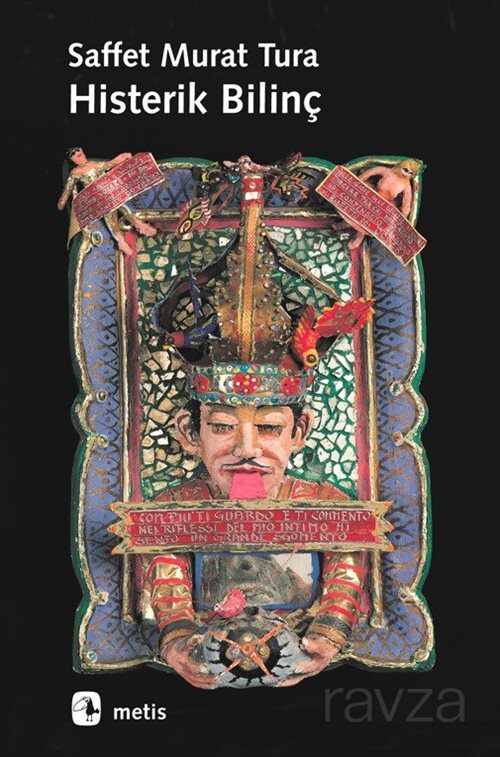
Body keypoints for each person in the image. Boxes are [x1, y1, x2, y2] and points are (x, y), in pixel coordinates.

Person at [136, 156, 372, 688]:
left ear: (299, 433)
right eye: (222, 426)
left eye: (268, 428)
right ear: (189, 434)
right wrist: (178, 639)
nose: (247, 448)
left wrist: (327, 634)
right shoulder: (176, 507)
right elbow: (166, 569)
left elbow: (345, 561)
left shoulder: (323, 504)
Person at [57, 147, 157, 255]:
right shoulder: (75, 172)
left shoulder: (93, 164)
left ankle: (140, 225)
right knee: (111, 219)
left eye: (79, 152)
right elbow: (68, 188)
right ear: (73, 160)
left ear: (83, 153)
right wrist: (62, 201)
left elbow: (110, 164)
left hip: (110, 193)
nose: (78, 154)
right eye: (74, 155)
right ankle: (121, 241)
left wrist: (122, 157)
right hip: (98, 200)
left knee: (124, 208)